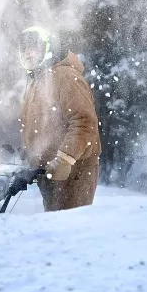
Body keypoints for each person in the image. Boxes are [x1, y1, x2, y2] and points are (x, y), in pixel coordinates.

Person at [18, 26, 101, 212]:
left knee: (69, 230)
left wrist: (64, 159)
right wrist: (28, 153)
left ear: (48, 48)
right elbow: (39, 127)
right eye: (23, 48)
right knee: (54, 231)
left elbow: (84, 123)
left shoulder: (65, 77)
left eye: (34, 46)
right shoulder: (36, 82)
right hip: (49, 174)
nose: (28, 52)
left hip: (73, 173)